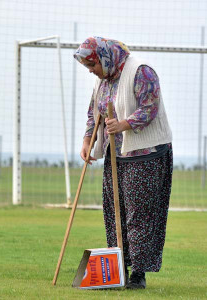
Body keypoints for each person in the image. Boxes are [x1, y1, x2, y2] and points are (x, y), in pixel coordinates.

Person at [74, 37, 173, 289]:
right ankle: (119, 268)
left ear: (103, 59)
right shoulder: (103, 80)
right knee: (114, 212)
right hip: (116, 156)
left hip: (146, 156)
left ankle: (138, 273)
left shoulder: (141, 71)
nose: (90, 71)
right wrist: (88, 139)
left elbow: (149, 108)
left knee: (139, 215)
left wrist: (123, 125)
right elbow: (93, 112)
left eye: (91, 65)